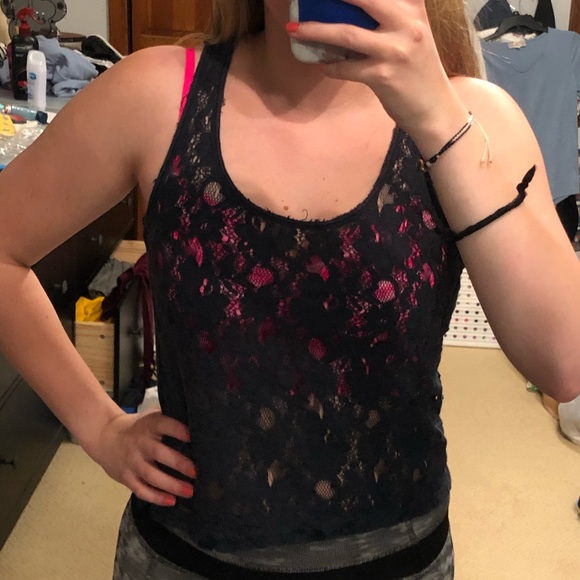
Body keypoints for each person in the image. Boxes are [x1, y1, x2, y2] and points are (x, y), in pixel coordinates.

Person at [0, 0, 579, 578]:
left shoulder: (475, 118)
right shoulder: (156, 97)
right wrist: (99, 426)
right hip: (186, 556)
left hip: (400, 558)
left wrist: (438, 121)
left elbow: (565, 362)